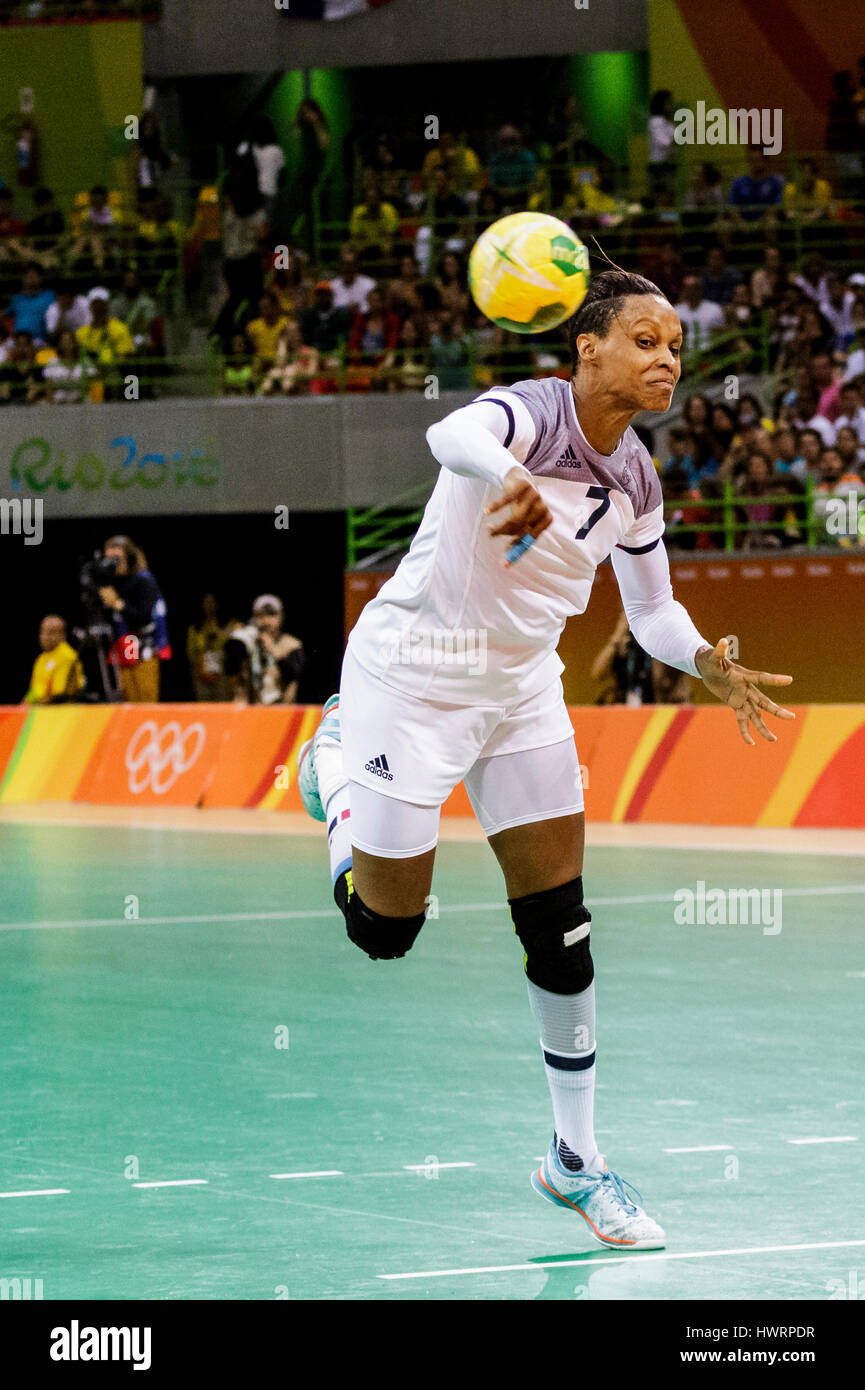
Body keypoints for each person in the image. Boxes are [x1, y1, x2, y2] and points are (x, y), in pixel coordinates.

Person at [296, 268, 794, 1251]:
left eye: (677, 349)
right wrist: (509, 476)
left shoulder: (635, 477)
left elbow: (649, 612)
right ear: (589, 347)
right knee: (383, 931)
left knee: (559, 923)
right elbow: (451, 437)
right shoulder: (528, 415)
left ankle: (575, 1160)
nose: (666, 360)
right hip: (413, 676)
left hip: (522, 690)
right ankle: (339, 768)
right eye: (645, 341)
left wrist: (704, 660)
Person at [97, 535, 170, 703]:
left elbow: (144, 618)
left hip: (144, 651)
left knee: (145, 704)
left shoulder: (144, 580)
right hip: (124, 650)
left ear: (129, 558)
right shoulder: (113, 584)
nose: (112, 564)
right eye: (108, 559)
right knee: (128, 704)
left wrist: (117, 604)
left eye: (116, 559)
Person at [224, 595, 305, 705]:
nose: (266, 621)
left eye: (271, 614)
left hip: (282, 711)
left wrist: (272, 649)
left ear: (281, 616)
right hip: (252, 710)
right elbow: (229, 670)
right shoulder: (249, 642)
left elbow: (294, 676)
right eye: (260, 615)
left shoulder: (292, 645)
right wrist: (236, 644)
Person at [22, 615, 84, 704]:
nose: (43, 637)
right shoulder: (41, 658)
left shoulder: (66, 656)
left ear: (61, 635)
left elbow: (58, 695)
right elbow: (35, 689)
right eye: (42, 632)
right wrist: (24, 704)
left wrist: (35, 706)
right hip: (38, 708)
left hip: (60, 710)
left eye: (49, 633)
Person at [186, 594, 235, 702]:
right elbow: (191, 653)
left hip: (222, 675)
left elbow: (232, 647)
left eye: (212, 602)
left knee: (222, 706)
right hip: (201, 675)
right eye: (206, 602)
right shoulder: (195, 628)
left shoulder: (228, 624)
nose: (209, 606)